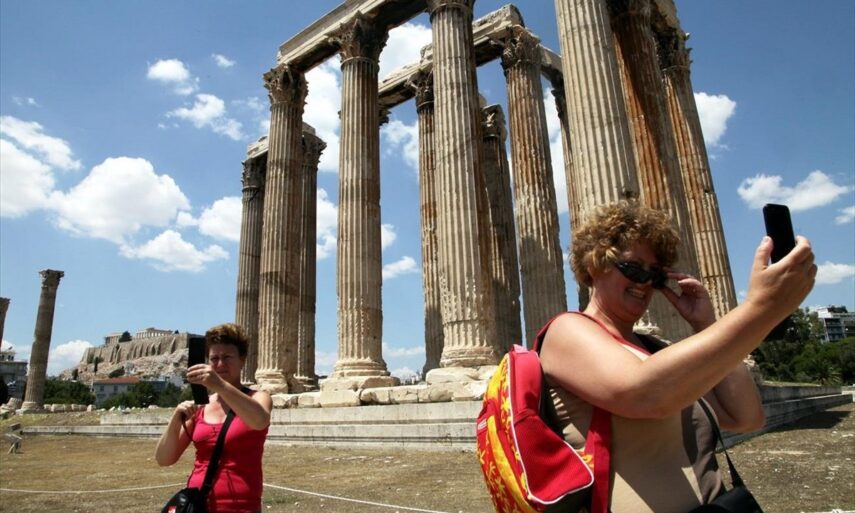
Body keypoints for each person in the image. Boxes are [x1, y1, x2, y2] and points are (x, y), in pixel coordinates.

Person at [539, 201, 816, 513]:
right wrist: (762, 308)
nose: (644, 282)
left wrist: (706, 325)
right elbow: (645, 394)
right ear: (594, 265)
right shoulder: (566, 331)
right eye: (633, 268)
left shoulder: (656, 349)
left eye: (655, 275)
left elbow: (747, 417)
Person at [155, 323, 272, 513]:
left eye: (227, 357)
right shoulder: (201, 407)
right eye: (214, 358)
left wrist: (219, 385)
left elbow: (259, 421)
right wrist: (175, 420)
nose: (220, 364)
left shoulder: (258, 398)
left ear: (242, 360)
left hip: (242, 507)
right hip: (198, 506)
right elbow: (164, 459)